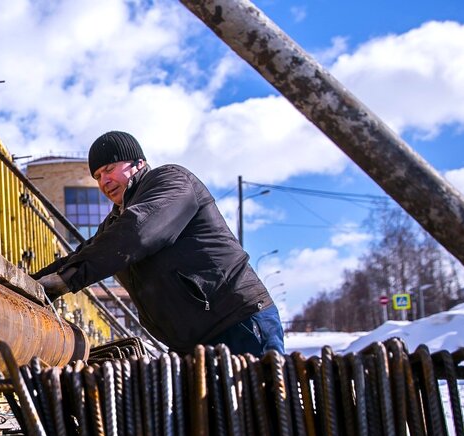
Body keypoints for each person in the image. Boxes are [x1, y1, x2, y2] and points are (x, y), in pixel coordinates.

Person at [34, 131, 285, 357]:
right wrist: (27, 283)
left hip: (237, 324)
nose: (104, 181)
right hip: (190, 344)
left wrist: (67, 281)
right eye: (98, 176)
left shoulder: (171, 182)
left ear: (138, 163)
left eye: (110, 169)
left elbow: (137, 233)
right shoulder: (115, 221)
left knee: (262, 407)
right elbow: (83, 254)